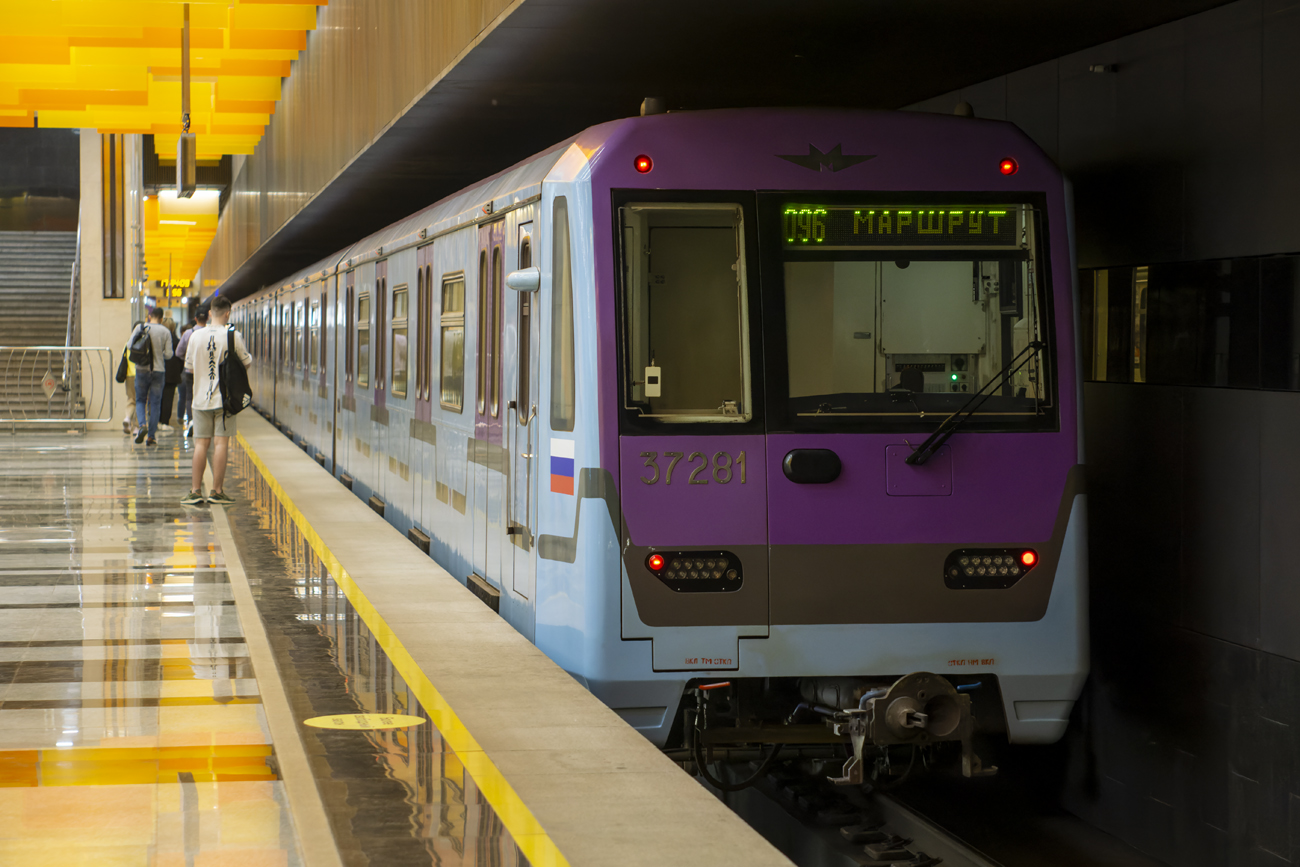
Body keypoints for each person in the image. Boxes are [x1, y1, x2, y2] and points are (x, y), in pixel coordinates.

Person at [182, 295, 252, 506]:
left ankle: (195, 492)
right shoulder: (233, 336)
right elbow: (246, 363)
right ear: (227, 313)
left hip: (200, 399)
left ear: (210, 313)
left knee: (201, 444)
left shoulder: (196, 336)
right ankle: (217, 491)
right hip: (226, 400)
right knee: (221, 443)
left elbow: (189, 368)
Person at [125, 306, 173, 446]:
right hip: (158, 371)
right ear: (162, 318)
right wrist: (160, 354)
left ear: (149, 316)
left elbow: (129, 346)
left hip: (141, 370)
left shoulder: (140, 327)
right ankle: (151, 436)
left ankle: (142, 426)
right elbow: (169, 355)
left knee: (140, 400)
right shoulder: (165, 331)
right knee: (155, 403)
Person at [176, 306, 207, 438]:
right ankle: (203, 423)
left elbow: (178, 352)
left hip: (190, 370)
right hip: (206, 372)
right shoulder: (210, 332)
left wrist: (186, 359)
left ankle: (191, 422)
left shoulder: (189, 333)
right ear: (208, 317)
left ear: (195, 319)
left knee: (189, 397)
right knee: (204, 396)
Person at [161, 315, 183, 430]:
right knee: (168, 398)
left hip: (160, 371)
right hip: (173, 374)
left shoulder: (160, 340)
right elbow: (181, 359)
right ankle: (165, 422)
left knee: (158, 397)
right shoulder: (177, 341)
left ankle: (158, 421)